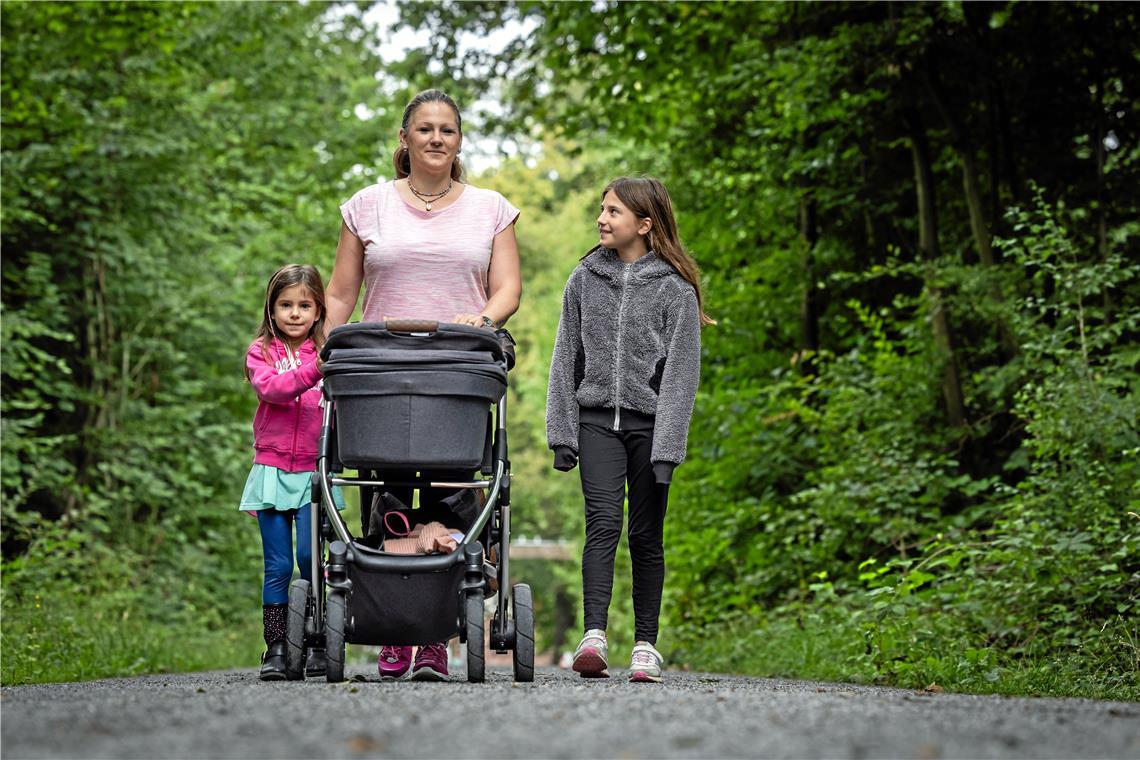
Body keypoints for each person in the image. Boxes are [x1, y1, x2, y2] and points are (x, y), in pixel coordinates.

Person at [324, 89, 522, 680]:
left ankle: (435, 633)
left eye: (448, 130)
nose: (437, 138)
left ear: (459, 142)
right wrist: (329, 354)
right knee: (384, 488)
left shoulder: (490, 209)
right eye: (426, 128)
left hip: (456, 368)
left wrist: (483, 319)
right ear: (404, 139)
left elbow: (507, 289)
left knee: (451, 491)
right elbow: (340, 293)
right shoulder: (367, 205)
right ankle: (391, 626)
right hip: (380, 370)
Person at [545, 176, 712, 683]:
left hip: (650, 429)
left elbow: (682, 376)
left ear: (644, 224)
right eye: (602, 209)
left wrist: (668, 450)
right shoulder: (583, 280)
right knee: (602, 524)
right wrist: (562, 434)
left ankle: (645, 646)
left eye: (613, 211)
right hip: (596, 422)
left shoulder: (675, 290)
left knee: (645, 535)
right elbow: (564, 359)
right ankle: (593, 636)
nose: (602, 218)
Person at [240, 264, 345, 681]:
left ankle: (316, 639)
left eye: (304, 305)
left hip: (313, 473)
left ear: (319, 310)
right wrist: (315, 369)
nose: (295, 313)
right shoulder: (261, 353)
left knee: (308, 558)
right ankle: (277, 647)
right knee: (279, 564)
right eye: (285, 305)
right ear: (271, 309)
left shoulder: (329, 353)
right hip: (271, 469)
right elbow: (273, 390)